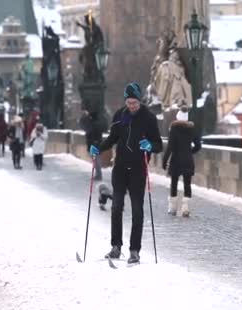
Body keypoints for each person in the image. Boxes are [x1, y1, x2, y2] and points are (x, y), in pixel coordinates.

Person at [89, 82, 163, 264]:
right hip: (120, 167)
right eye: (129, 103)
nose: (132, 106)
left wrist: (150, 146)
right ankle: (116, 247)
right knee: (116, 207)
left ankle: (134, 250)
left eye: (135, 103)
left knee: (137, 210)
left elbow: (159, 144)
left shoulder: (148, 118)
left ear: (139, 101)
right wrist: (98, 147)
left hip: (138, 168)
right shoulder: (120, 116)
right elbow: (112, 138)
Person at [162, 105, 201, 217]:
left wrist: (165, 161)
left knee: (174, 183)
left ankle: (173, 208)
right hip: (188, 160)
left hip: (176, 160)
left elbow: (170, 147)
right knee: (187, 184)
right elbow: (198, 145)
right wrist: (190, 152)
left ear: (178, 117)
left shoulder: (174, 129)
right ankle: (185, 208)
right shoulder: (191, 129)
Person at [80, 109, 106, 180]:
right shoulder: (98, 123)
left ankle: (98, 175)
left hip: (93, 144)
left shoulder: (92, 124)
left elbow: (84, 127)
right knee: (97, 159)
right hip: (97, 143)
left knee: (96, 160)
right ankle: (98, 174)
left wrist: (84, 117)